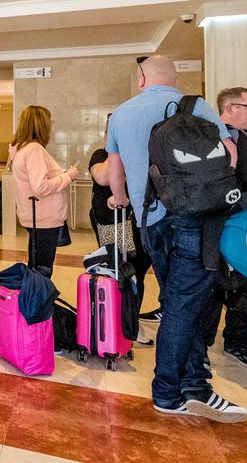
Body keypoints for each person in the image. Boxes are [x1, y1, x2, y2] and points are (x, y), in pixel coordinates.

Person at [105, 55, 247, 423]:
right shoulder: (196, 106)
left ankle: (194, 383)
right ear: (174, 78)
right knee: (185, 307)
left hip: (149, 221)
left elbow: (114, 170)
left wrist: (122, 198)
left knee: (179, 301)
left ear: (141, 78)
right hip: (194, 219)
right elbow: (229, 154)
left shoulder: (121, 114)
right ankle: (170, 392)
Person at [201, 87, 247, 370]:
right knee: (211, 285)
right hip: (217, 221)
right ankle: (200, 348)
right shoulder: (208, 136)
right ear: (229, 107)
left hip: (246, 222)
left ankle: (236, 341)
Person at [90, 113, 156, 330]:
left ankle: (130, 321)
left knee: (137, 273)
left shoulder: (144, 155)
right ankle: (116, 321)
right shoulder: (101, 154)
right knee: (118, 269)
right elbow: (102, 177)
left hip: (141, 223)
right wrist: (117, 147)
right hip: (113, 225)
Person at [8, 106, 78, 276]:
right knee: (42, 270)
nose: (51, 125)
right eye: (50, 121)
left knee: (36, 267)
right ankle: (36, 301)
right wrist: (68, 176)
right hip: (43, 217)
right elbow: (40, 186)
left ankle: (34, 300)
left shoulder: (22, 149)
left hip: (36, 216)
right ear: (41, 124)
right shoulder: (34, 150)